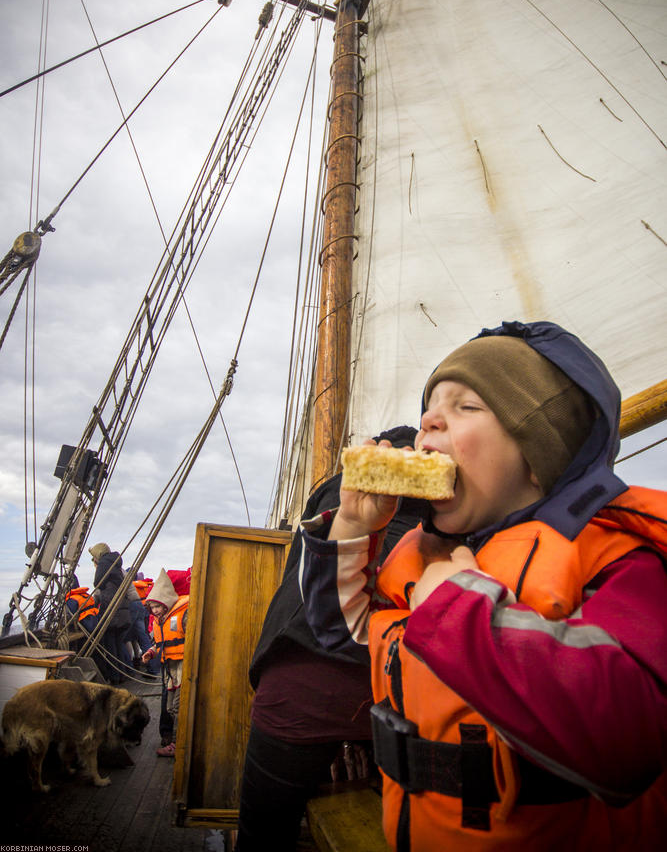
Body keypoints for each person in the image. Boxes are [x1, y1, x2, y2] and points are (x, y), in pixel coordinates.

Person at [299, 320, 667, 851]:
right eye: (430, 409)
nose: (426, 421)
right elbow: (343, 633)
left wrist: (456, 614)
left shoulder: (616, 561)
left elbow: (627, 743)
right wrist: (354, 527)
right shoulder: (422, 558)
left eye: (466, 407)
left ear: (541, 457)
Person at [235, 425, 430, 852]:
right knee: (394, 822)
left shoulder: (341, 486)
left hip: (301, 685)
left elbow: (302, 574)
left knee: (265, 829)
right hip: (398, 690)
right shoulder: (450, 504)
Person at [141, 568, 189, 757]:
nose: (155, 611)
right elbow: (159, 642)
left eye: (158, 607)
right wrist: (151, 652)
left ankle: (179, 743)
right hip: (169, 668)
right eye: (152, 608)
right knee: (170, 707)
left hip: (182, 667)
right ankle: (176, 740)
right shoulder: (160, 621)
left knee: (178, 706)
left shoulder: (182, 615)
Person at [89, 542, 133, 685]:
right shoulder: (116, 565)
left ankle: (115, 677)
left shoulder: (104, 563)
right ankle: (123, 674)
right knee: (119, 644)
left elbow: (98, 583)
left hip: (112, 613)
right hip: (123, 611)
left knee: (110, 646)